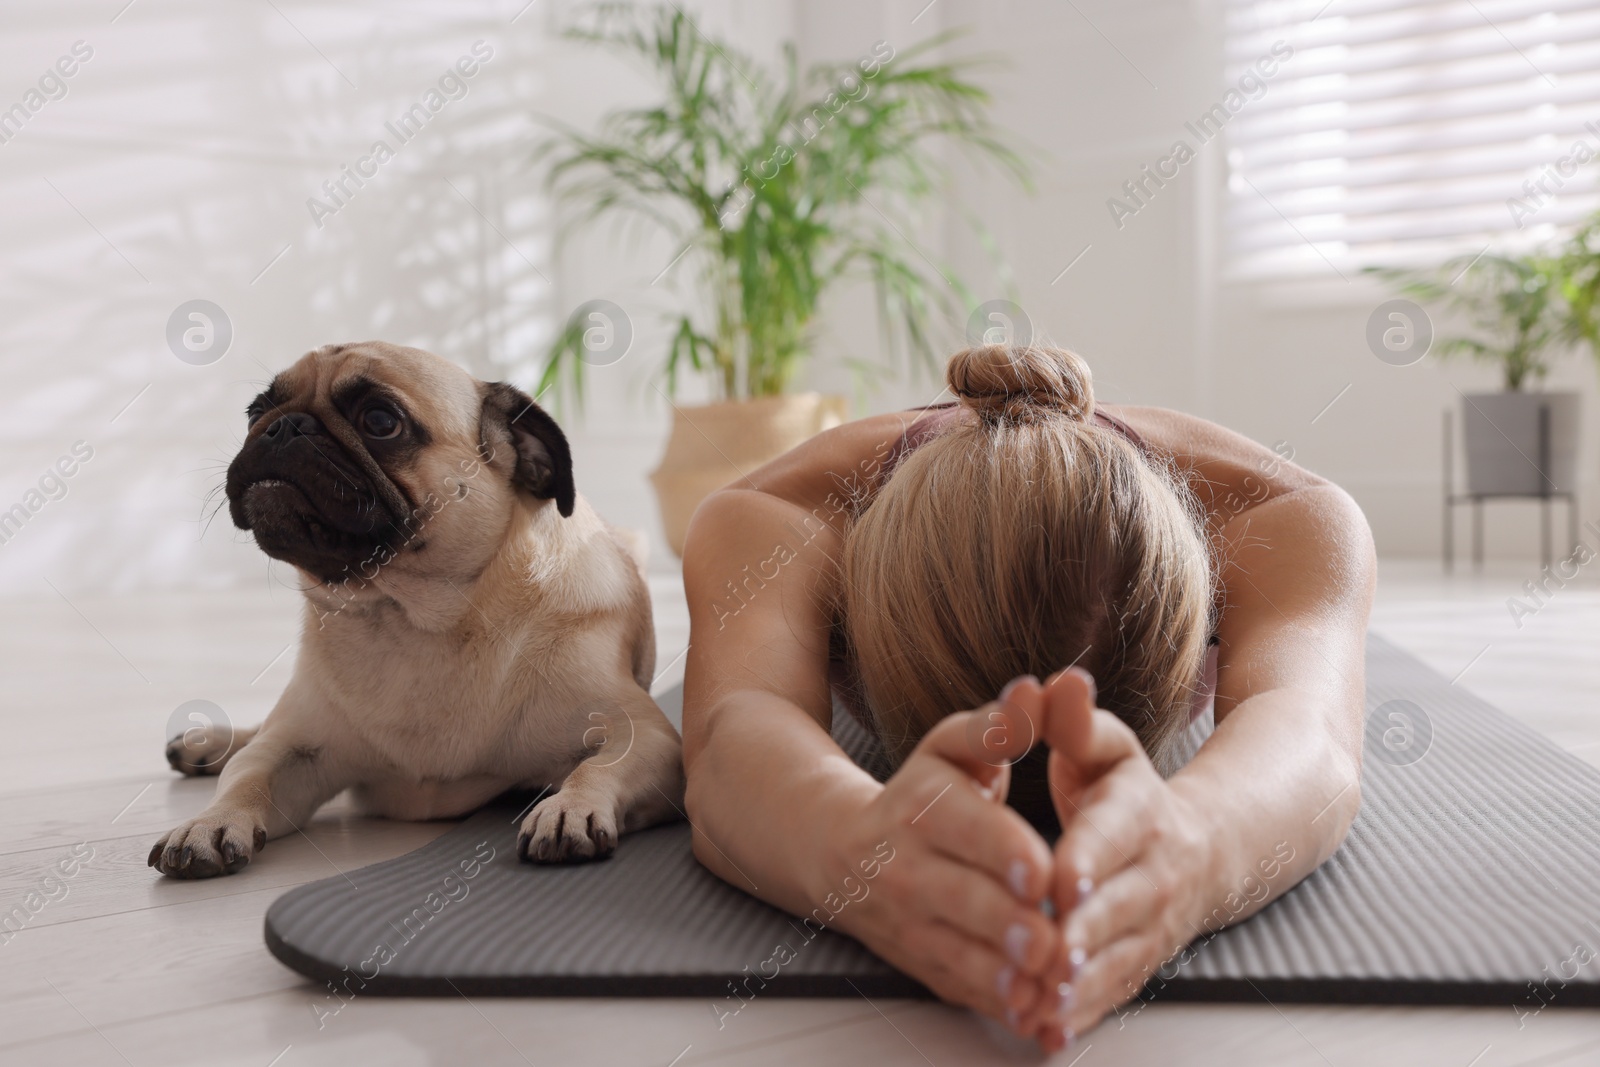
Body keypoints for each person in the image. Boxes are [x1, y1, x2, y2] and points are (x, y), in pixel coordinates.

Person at [679, 343, 1374, 1049]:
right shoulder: (777, 514)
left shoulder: (1282, 514)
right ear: (858, 613)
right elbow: (731, 734)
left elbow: (1310, 729)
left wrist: (1197, 851)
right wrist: (855, 848)